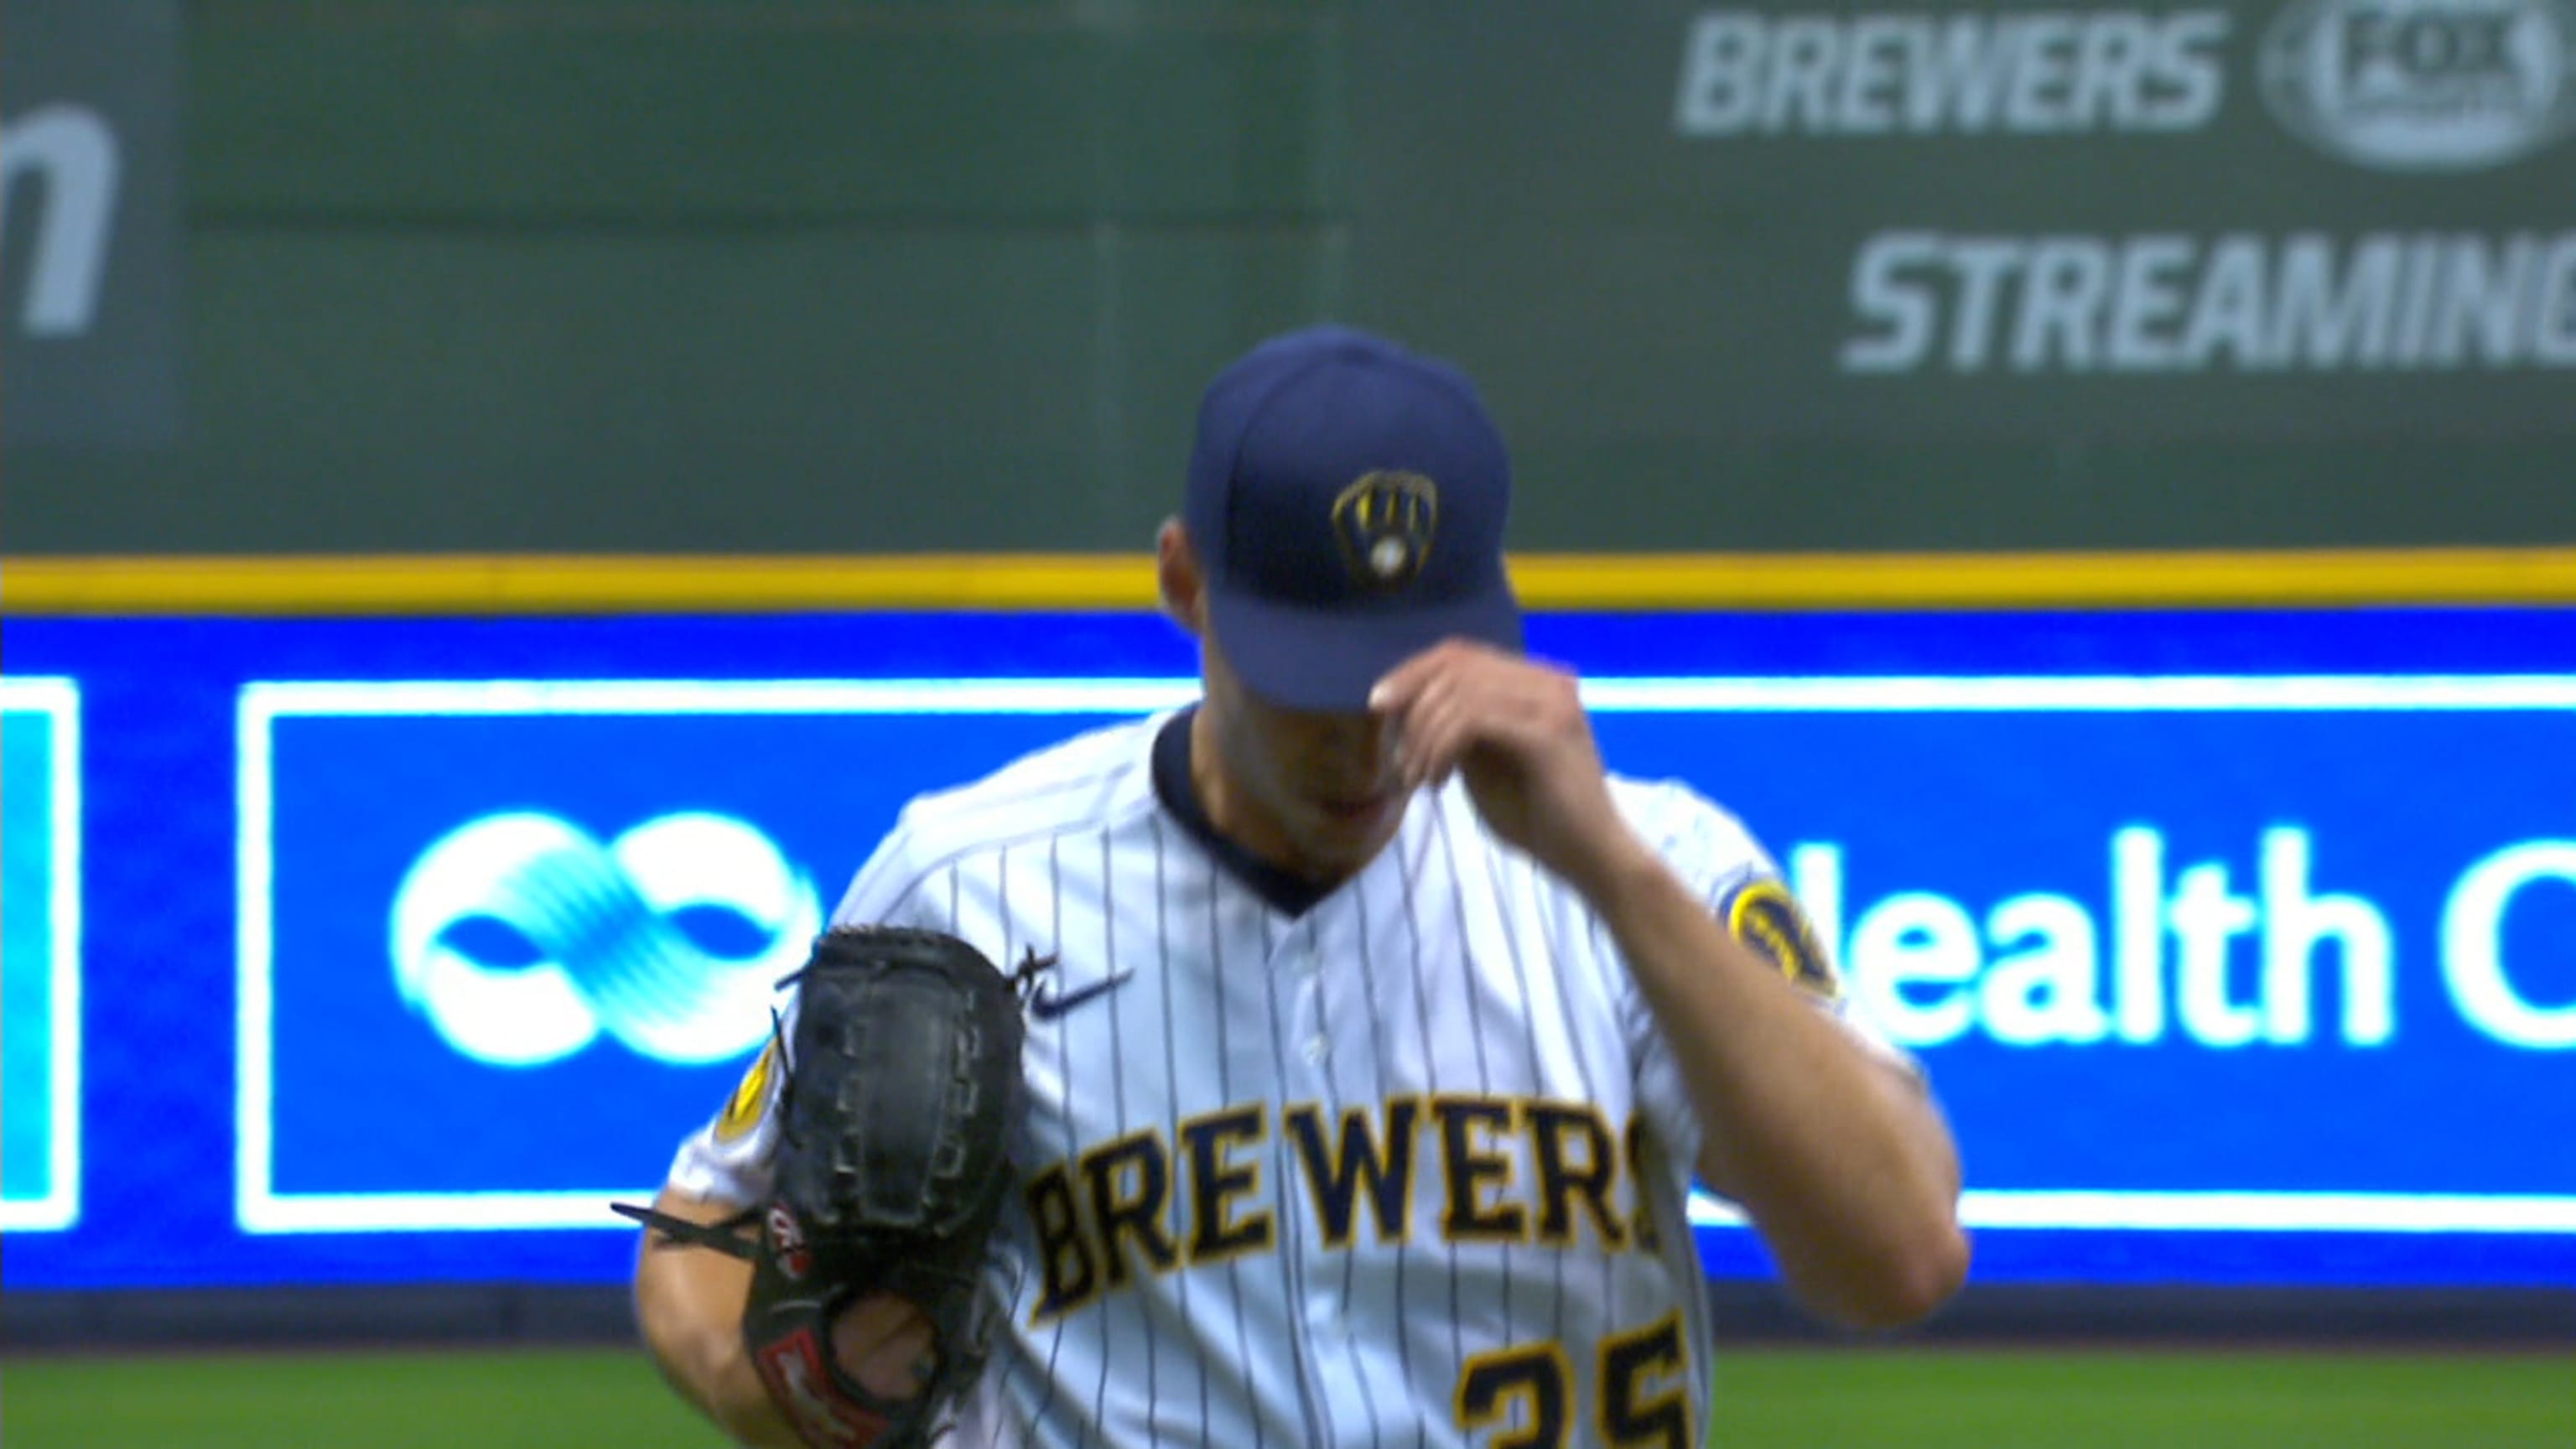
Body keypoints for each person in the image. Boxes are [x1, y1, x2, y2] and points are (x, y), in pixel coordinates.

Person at [632, 325, 1970, 1448]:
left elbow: (1896, 1260)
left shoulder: (1656, 867)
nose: (1363, 736)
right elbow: (698, 1231)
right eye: (1313, 683)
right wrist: (788, 1395)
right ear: (1184, 586)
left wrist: (1611, 876)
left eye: (1407, 670)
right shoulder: (972, 881)